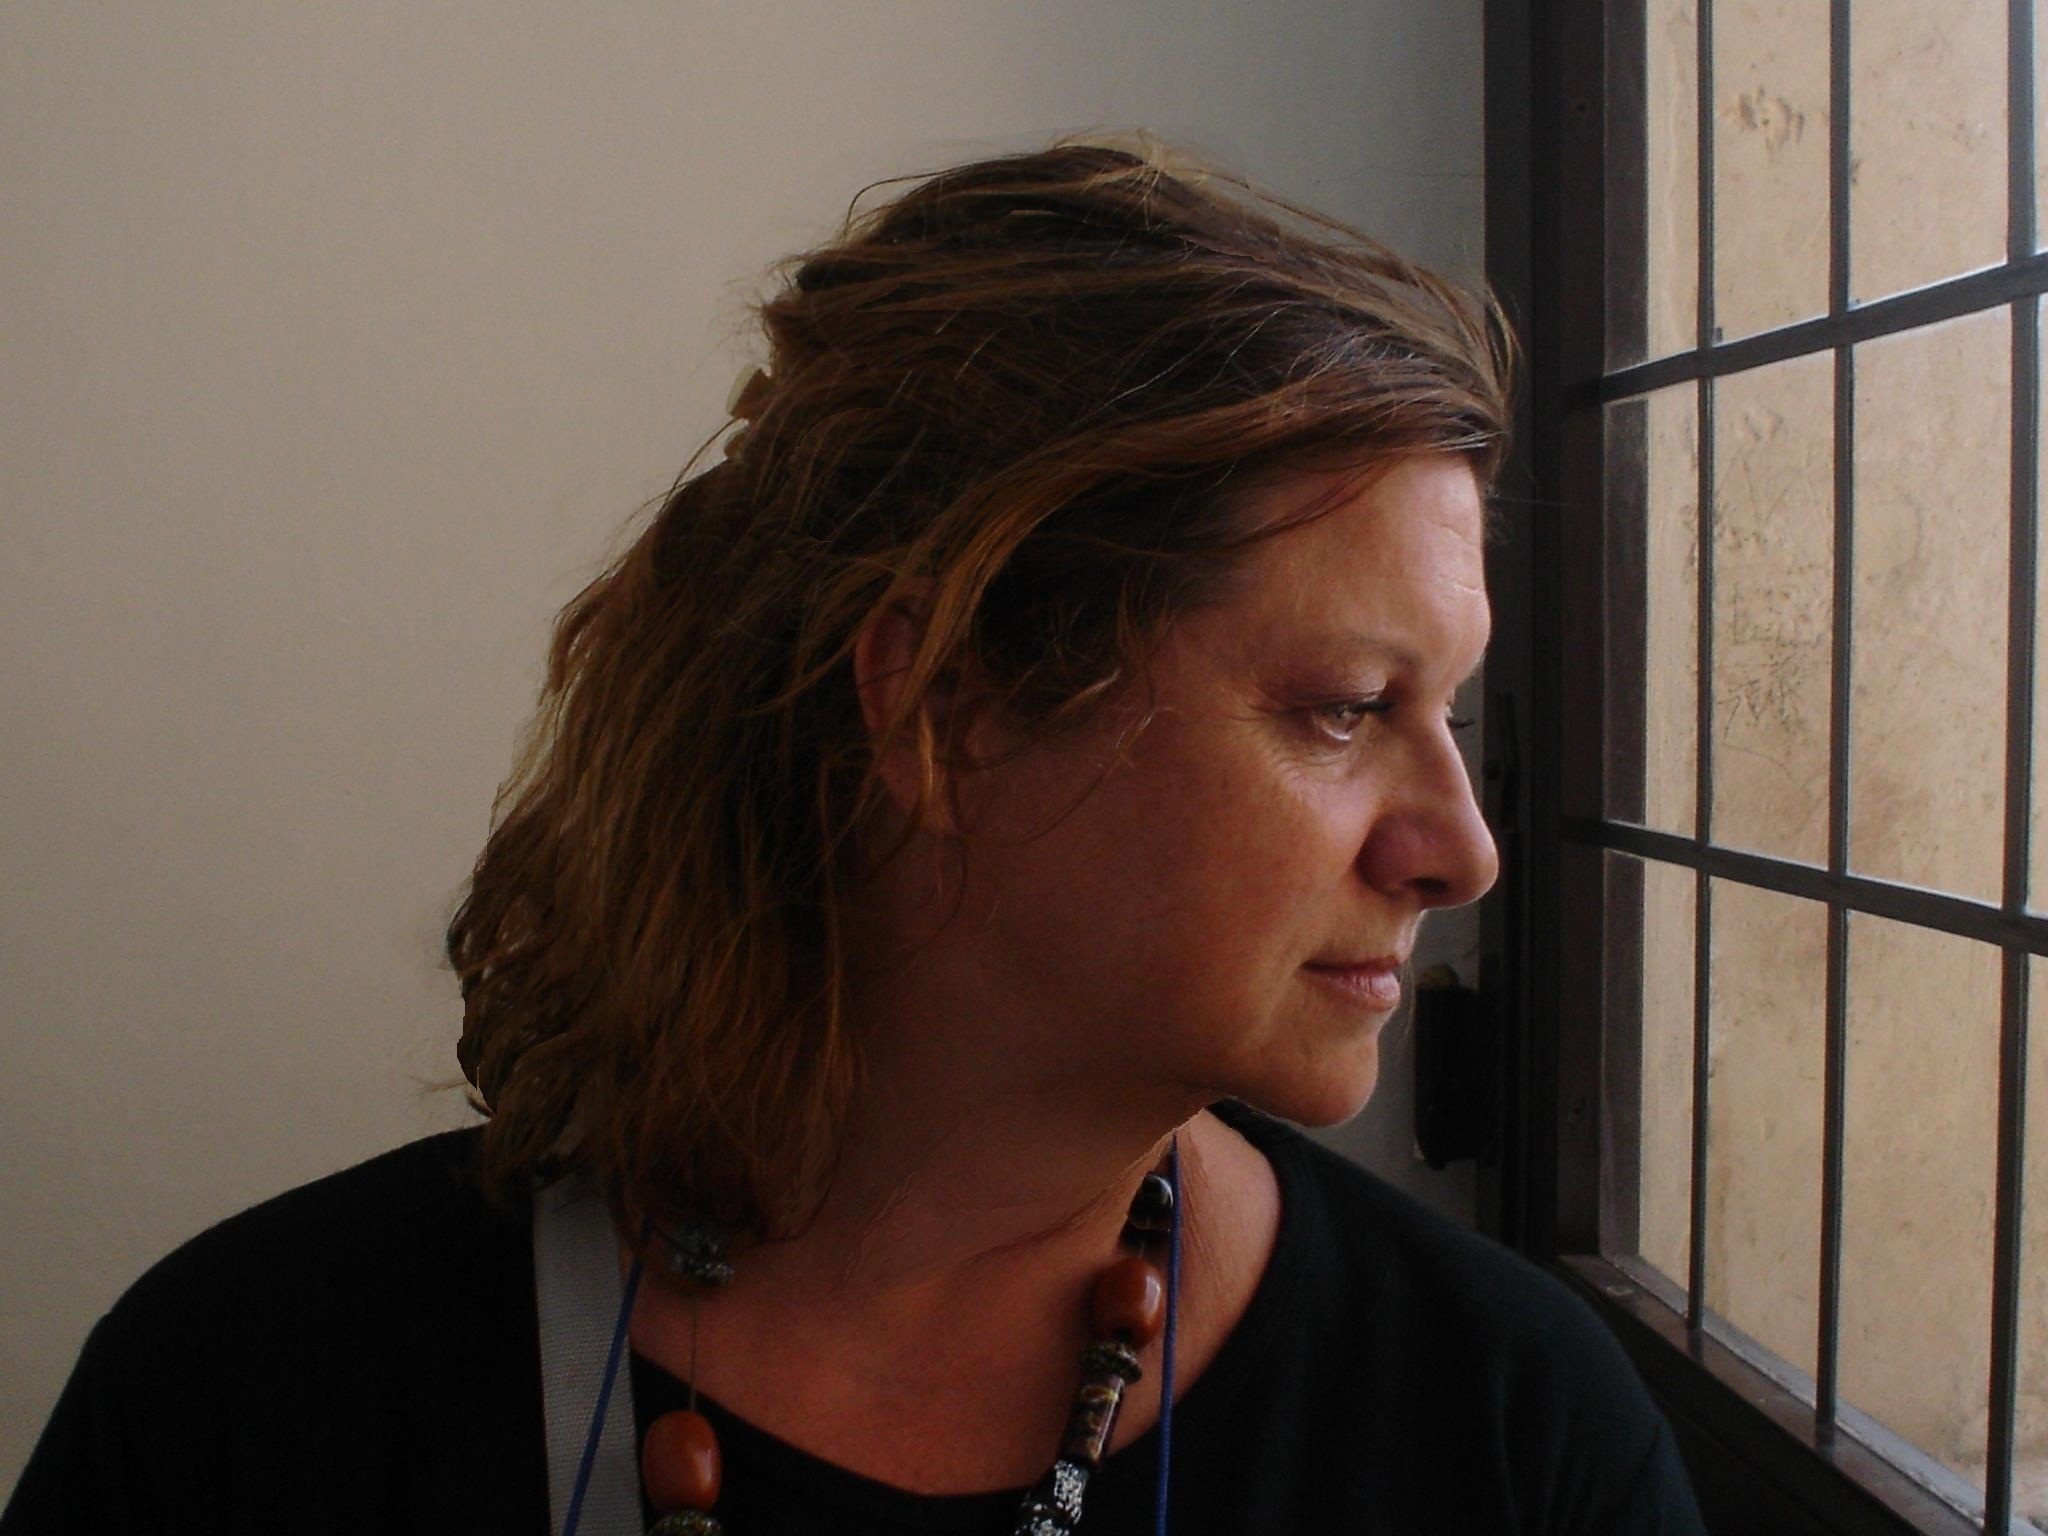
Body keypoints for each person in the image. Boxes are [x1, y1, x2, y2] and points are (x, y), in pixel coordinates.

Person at [4, 140, 1705, 1535]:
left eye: (1449, 713)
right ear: (944, 707)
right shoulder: (247, 1405)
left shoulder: (1514, 1435)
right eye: (1343, 707)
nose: (1460, 849)